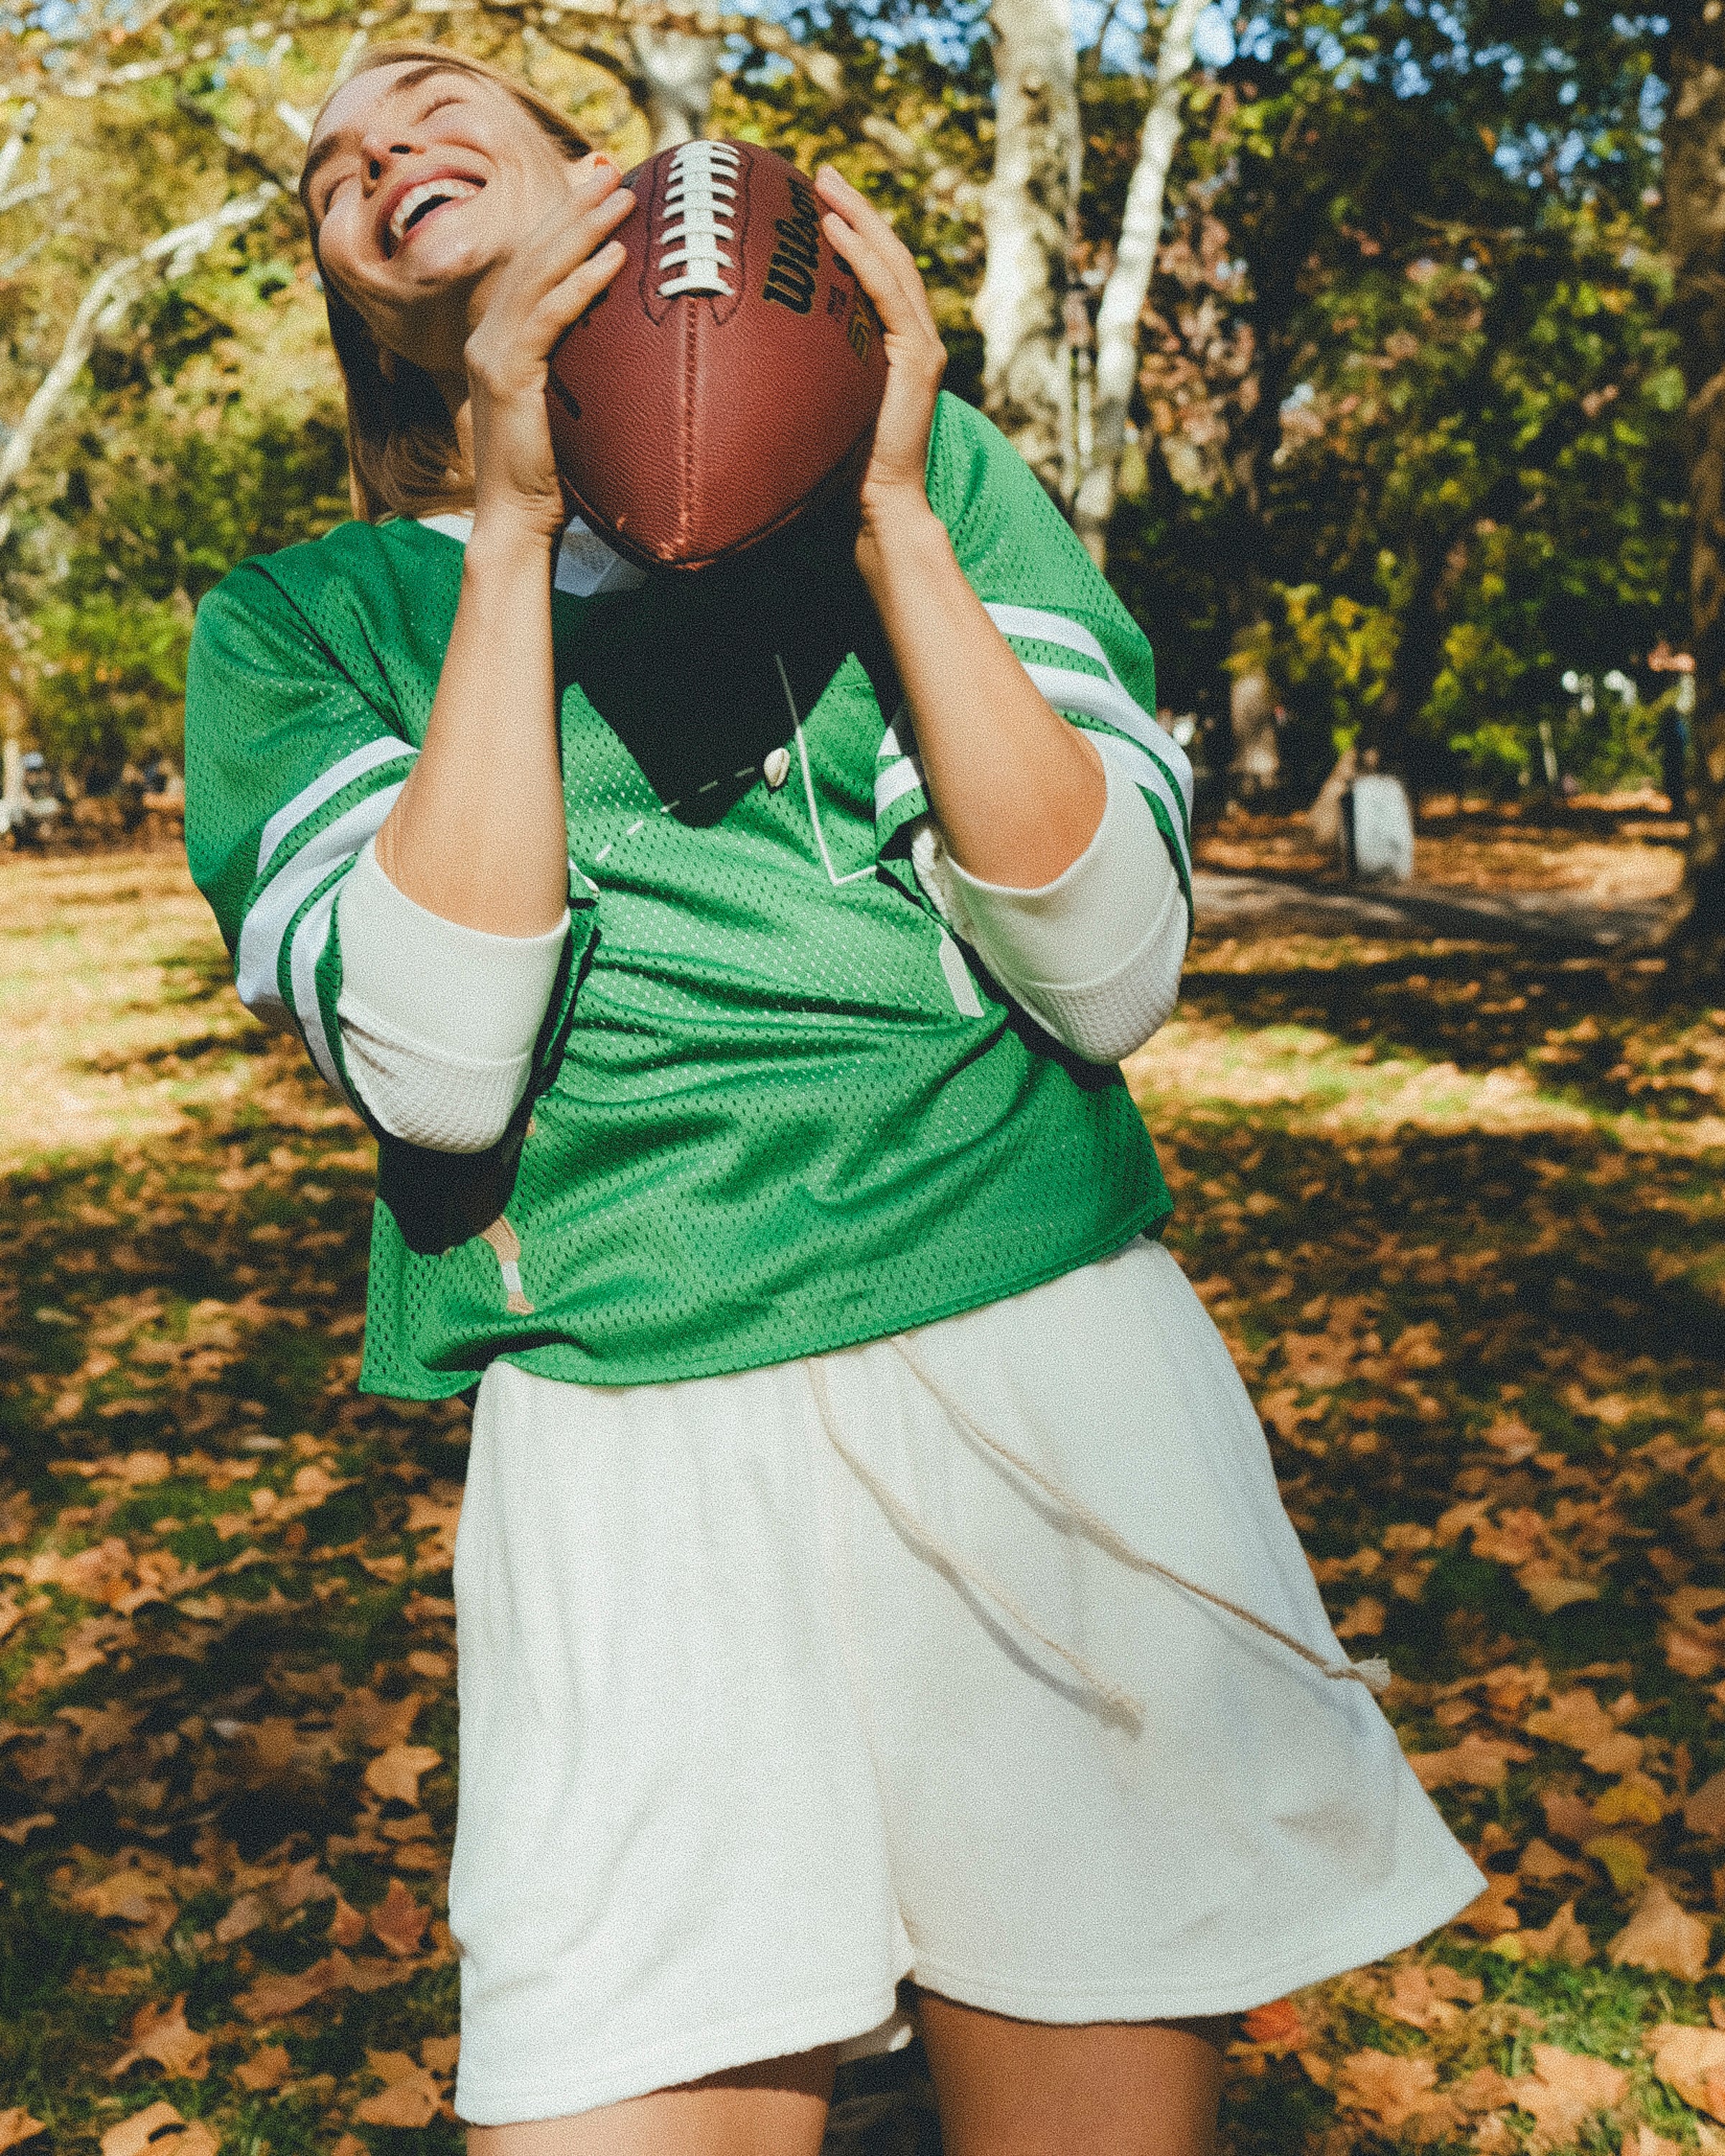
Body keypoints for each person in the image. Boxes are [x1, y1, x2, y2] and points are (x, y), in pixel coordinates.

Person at [185, 45, 1483, 2155]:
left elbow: (1107, 965)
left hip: (1033, 1368)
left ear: (605, 176)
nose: (375, 150)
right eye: (330, 169)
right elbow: (436, 1065)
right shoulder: (308, 620)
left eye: (435, 99)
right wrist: (511, 530)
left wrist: (884, 500)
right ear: (357, 295)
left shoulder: (926, 473)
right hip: (628, 1420)